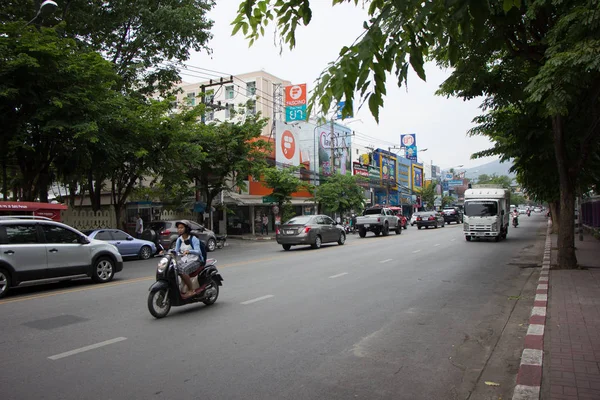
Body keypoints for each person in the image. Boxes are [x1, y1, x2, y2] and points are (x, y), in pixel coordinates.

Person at [174, 220, 204, 299]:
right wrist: (165, 252)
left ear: (186, 229)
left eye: (181, 228)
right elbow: (176, 251)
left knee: (182, 270)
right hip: (184, 260)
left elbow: (198, 251)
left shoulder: (193, 239)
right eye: (178, 228)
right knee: (172, 268)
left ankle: (191, 290)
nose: (179, 229)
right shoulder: (179, 239)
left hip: (195, 260)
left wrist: (189, 251)